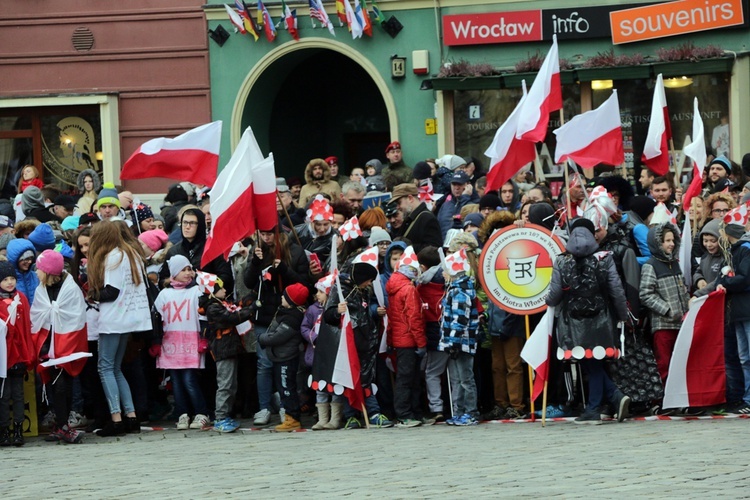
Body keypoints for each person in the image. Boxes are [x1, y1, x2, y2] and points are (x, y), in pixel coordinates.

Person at [546, 218, 632, 425]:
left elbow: (555, 295)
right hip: (602, 321)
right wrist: (623, 316)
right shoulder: (605, 258)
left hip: (573, 324)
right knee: (595, 362)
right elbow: (617, 291)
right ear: (592, 234)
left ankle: (596, 407)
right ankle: (611, 398)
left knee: (590, 364)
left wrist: (547, 300)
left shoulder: (561, 261)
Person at [87, 221, 150, 436]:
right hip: (129, 318)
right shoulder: (132, 252)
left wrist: (92, 294)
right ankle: (131, 416)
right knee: (116, 368)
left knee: (105, 368)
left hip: (114, 319)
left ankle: (116, 418)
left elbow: (111, 292)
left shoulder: (114, 256)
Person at [244, 225, 308, 426]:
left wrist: (284, 270)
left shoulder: (295, 251)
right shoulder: (258, 250)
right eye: (262, 234)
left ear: (278, 234)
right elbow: (248, 281)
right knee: (264, 363)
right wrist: (255, 261)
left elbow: (304, 284)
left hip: (287, 316)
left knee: (286, 365)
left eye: (269, 234)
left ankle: (286, 407)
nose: (265, 237)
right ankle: (264, 407)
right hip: (264, 315)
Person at [30, 249, 89, 443]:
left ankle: (64, 425)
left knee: (64, 385)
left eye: (38, 269)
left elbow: (76, 317)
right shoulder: (41, 289)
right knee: (55, 385)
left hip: (66, 344)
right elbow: (38, 313)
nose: (36, 272)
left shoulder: (70, 289)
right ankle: (62, 424)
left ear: (48, 272)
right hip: (47, 345)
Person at [152, 256, 210, 430]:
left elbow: (203, 316)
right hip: (170, 343)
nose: (188, 273)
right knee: (176, 380)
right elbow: (156, 319)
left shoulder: (196, 291)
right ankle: (182, 413)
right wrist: (155, 342)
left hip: (190, 341)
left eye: (189, 269)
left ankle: (201, 412)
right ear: (173, 273)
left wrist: (204, 338)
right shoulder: (164, 294)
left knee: (189, 379)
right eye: (183, 270)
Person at [640, 222, 690, 389]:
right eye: (667, 241)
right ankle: (663, 398)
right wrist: (668, 309)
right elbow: (646, 294)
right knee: (664, 362)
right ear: (657, 243)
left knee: (679, 363)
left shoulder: (674, 263)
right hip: (663, 325)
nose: (671, 244)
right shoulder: (650, 265)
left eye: (672, 240)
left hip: (680, 324)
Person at [258, 283, 309, 432]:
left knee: (287, 388)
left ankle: (293, 418)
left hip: (287, 357)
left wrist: (261, 338)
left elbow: (278, 337)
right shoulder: (284, 312)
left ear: (291, 301)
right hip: (280, 357)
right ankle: (288, 416)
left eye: (285, 296)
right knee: (282, 387)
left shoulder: (292, 318)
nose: (281, 297)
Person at [386, 246, 427, 427]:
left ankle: (411, 412)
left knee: (405, 377)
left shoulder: (394, 287)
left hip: (399, 339)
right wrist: (421, 343)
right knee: (409, 378)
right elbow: (414, 318)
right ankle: (406, 414)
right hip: (409, 340)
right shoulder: (409, 289)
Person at [439, 248, 479, 426]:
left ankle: (470, 412)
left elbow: (460, 319)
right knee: (458, 379)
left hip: (461, 342)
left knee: (465, 379)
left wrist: (453, 341)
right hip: (458, 342)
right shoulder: (456, 288)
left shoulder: (458, 291)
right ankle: (460, 411)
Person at [716, 213, 750, 414]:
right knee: (744, 357)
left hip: (746, 309)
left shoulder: (745, 250)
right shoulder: (732, 252)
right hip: (738, 311)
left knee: (748, 356)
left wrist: (725, 283)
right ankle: (747, 398)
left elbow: (745, 278)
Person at [158, 207, 233, 292]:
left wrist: (198, 278)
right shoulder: (173, 251)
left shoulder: (214, 249)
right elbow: (163, 280)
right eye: (185, 222)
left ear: (200, 225)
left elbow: (225, 279)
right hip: (181, 301)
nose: (187, 227)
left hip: (207, 300)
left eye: (192, 223)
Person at [0, 261, 34, 447]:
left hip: (19, 355)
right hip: (4, 356)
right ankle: (5, 430)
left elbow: (26, 329)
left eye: (12, 278)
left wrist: (28, 353)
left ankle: (19, 429)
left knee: (19, 394)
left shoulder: (21, 299)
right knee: (4, 396)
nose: (10, 282)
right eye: (5, 279)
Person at [390, 183, 442, 252]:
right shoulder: (409, 219)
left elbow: (434, 249)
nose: (398, 207)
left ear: (410, 198)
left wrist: (407, 248)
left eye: (399, 203)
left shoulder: (428, 219)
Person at [437, 171, 478, 239]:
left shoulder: (474, 205)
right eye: (454, 184)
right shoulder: (445, 205)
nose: (456, 188)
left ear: (468, 185)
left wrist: (465, 197)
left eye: (460, 184)